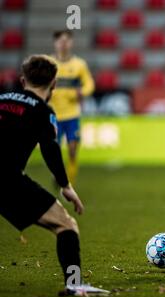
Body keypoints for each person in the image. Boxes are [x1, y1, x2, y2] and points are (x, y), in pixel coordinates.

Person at [0, 55, 107, 296]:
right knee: (65, 225)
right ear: (54, 84)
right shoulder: (42, 111)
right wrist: (65, 184)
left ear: (22, 80)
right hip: (7, 180)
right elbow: (49, 148)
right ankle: (75, 284)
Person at [49, 30, 95, 185]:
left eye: (66, 41)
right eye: (60, 41)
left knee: (73, 150)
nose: (63, 44)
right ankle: (58, 175)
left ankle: (69, 183)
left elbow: (89, 84)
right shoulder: (48, 63)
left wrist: (81, 92)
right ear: (55, 43)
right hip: (53, 115)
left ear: (71, 43)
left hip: (72, 115)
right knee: (53, 151)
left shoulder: (79, 65)